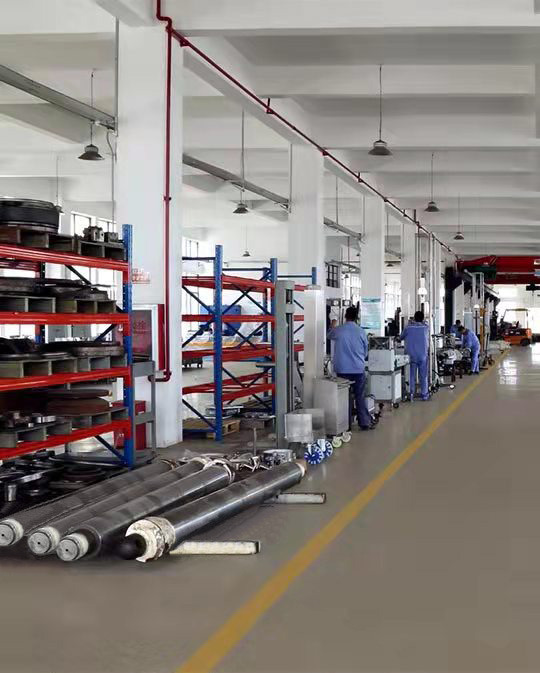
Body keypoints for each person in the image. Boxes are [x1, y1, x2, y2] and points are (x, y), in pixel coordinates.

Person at [327, 306, 373, 430]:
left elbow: (329, 335)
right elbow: (366, 351)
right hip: (358, 369)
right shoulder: (361, 331)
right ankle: (364, 422)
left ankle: (345, 425)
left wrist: (333, 324)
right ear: (357, 317)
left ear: (345, 316)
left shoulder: (339, 330)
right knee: (360, 396)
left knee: (344, 397)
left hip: (342, 369)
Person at [400, 310, 430, 401]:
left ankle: (411, 393)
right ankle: (424, 395)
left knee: (411, 376)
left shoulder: (408, 328)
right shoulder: (425, 328)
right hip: (422, 355)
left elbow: (400, 337)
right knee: (423, 376)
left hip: (411, 356)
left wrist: (410, 323)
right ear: (422, 318)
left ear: (414, 317)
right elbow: (426, 324)